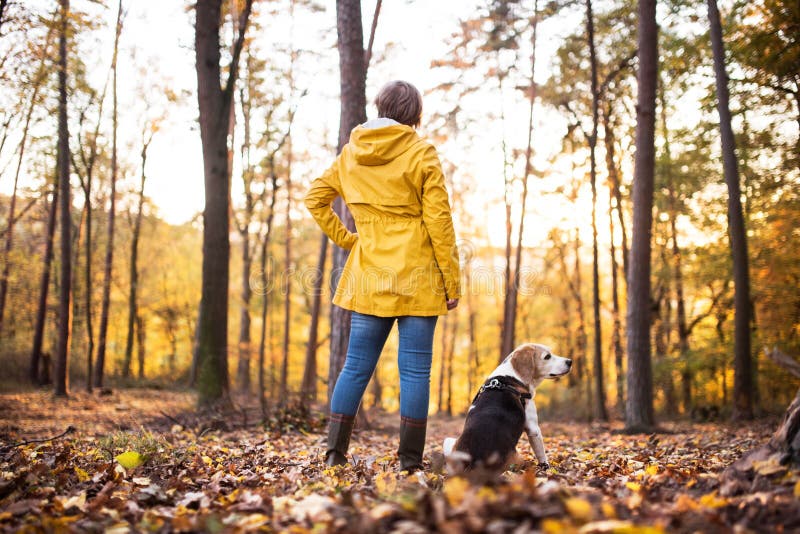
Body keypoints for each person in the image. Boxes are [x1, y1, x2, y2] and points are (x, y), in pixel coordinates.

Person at [304, 80, 461, 472]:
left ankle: (333, 456)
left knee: (355, 367)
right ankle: (409, 463)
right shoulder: (421, 152)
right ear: (416, 115)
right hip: (418, 277)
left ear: (379, 106)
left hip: (369, 273)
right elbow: (439, 222)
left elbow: (315, 199)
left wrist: (350, 240)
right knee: (415, 372)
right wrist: (451, 282)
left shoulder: (351, 154)